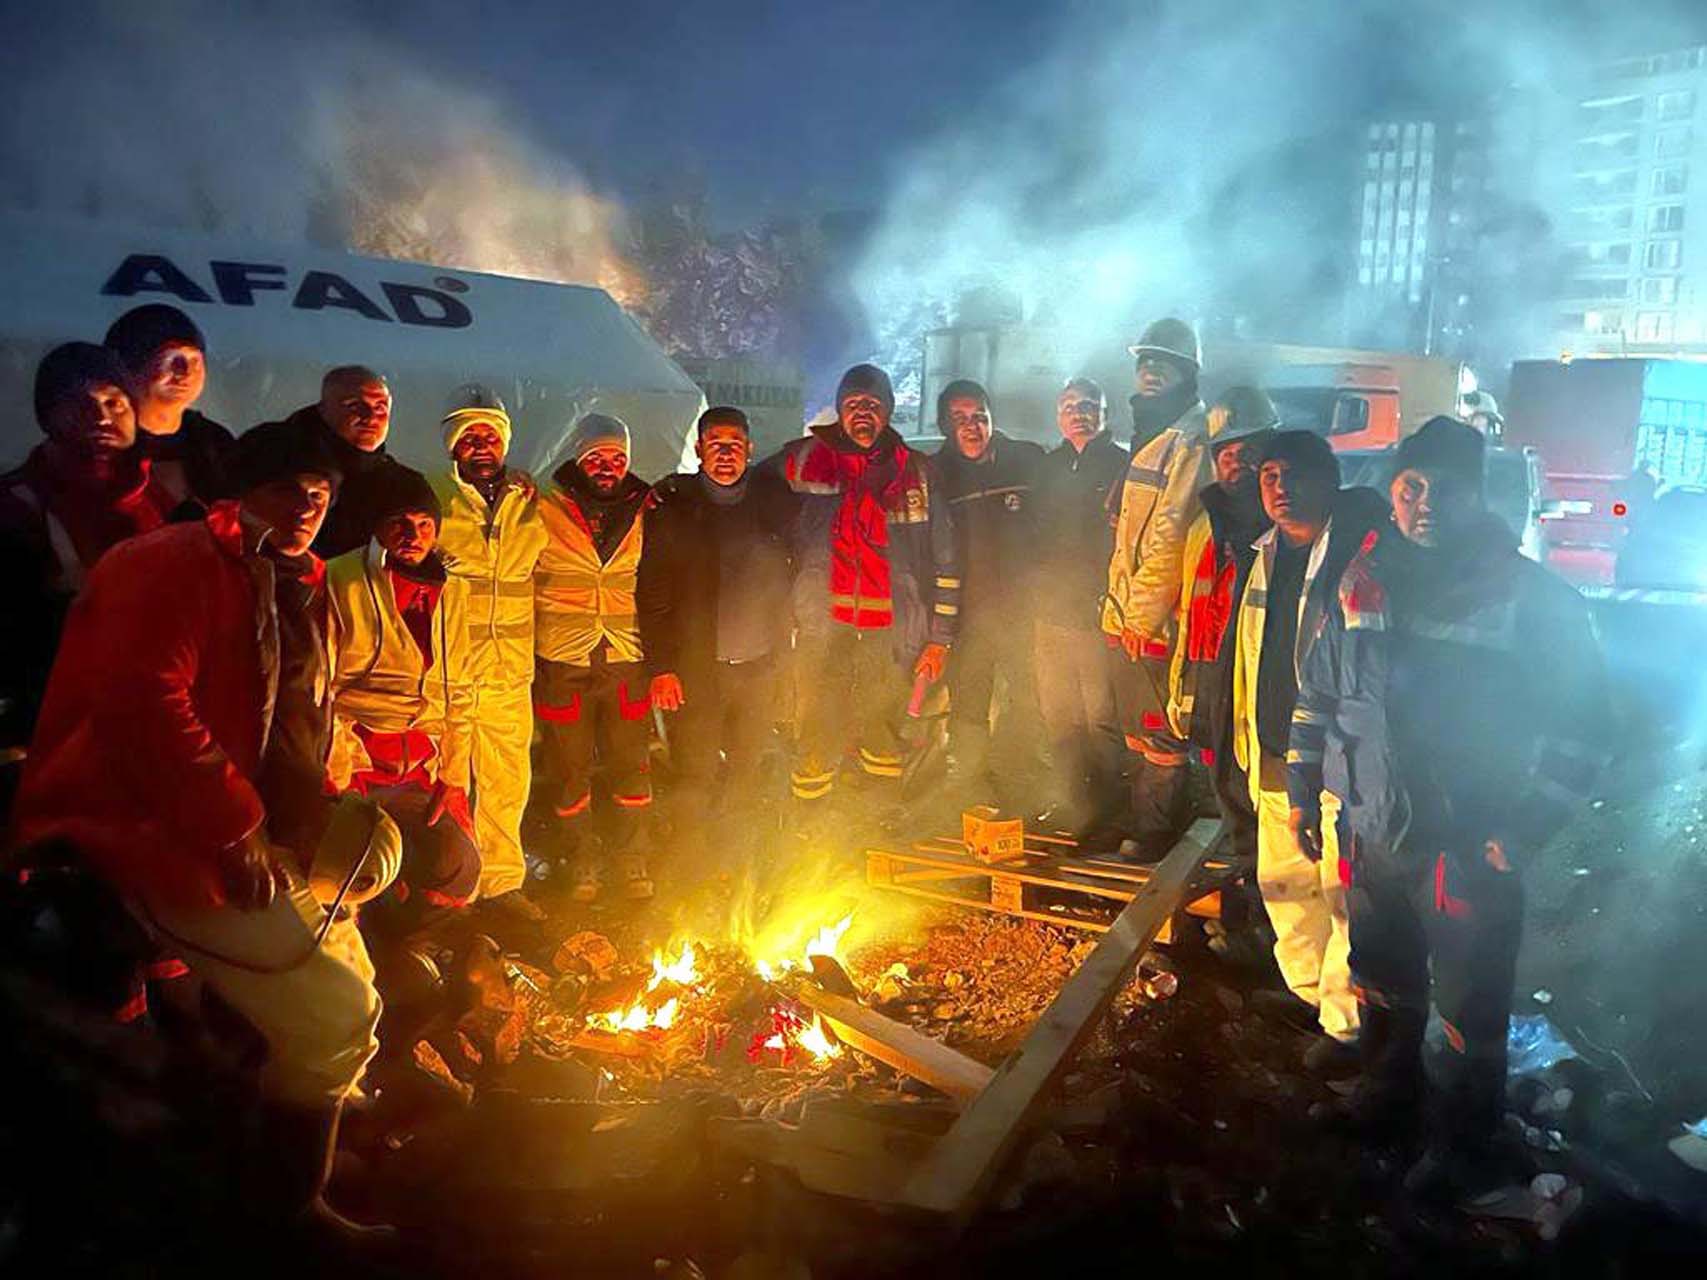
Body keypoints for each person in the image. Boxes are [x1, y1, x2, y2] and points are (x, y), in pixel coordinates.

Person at [10, 425, 398, 1236]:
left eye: (319, 493)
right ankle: (290, 1212)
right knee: (334, 1013)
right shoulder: (174, 562)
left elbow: (300, 711)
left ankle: (285, 1145)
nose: (305, 506)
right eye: (284, 489)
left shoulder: (299, 578)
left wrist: (335, 798)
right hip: (148, 828)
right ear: (240, 493)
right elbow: (145, 704)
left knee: (350, 959)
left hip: (243, 828)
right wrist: (234, 826)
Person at [1289, 417, 1610, 1201]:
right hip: (1369, 829)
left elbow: (1588, 729)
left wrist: (1523, 829)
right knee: (1380, 977)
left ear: (1477, 495)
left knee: (1469, 1008)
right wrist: (1304, 785)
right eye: (1410, 487)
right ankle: (1387, 1097)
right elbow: (1319, 692)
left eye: (1444, 489)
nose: (1424, 503)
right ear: (1393, 492)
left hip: (1464, 844)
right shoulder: (1360, 580)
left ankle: (1463, 1144)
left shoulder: (1531, 599)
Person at [1230, 431, 1387, 1071]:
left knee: (1343, 897)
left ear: (1330, 480)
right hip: (1270, 751)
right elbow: (1243, 656)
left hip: (1335, 763)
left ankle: (1347, 1032)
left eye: (1293, 475)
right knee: (1286, 887)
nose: (1279, 487)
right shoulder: (1264, 554)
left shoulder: (1356, 557)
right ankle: (1307, 1001)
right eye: (1268, 474)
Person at [769, 363, 958, 813]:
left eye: (873, 405)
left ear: (888, 412)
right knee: (816, 728)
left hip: (890, 631)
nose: (862, 414)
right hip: (823, 626)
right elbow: (736, 495)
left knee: (882, 730)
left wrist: (941, 637)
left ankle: (874, 822)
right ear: (839, 411)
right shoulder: (800, 459)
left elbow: (947, 560)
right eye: (853, 405)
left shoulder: (918, 472)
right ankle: (810, 828)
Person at [0, 343, 175, 781]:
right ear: (49, 417)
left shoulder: (169, 500)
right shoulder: (16, 506)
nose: (100, 416)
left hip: (161, 725)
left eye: (113, 403)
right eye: (79, 404)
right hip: (46, 734)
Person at [324, 468, 481, 939]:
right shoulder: (342, 581)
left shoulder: (452, 591)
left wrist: (454, 776)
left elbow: (461, 689)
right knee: (362, 868)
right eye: (400, 524)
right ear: (378, 526)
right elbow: (321, 689)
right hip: (358, 761)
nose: (414, 536)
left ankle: (424, 951)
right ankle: (367, 961)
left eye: (425, 525)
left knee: (458, 864)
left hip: (423, 767)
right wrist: (340, 776)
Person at [638, 406, 795, 847]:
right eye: (715, 444)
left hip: (759, 668)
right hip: (696, 669)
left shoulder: (774, 505)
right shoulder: (675, 507)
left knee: (748, 767)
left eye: (734, 445)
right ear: (698, 449)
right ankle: (692, 861)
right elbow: (652, 594)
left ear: (749, 450)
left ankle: (735, 859)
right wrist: (661, 667)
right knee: (696, 771)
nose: (725, 454)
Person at [429, 385, 549, 921]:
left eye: (491, 437)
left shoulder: (530, 503)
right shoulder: (430, 497)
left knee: (507, 782)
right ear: (453, 447)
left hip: (509, 673)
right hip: (450, 673)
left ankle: (501, 885)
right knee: (449, 782)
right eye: (469, 437)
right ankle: (449, 888)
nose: (481, 446)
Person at [534, 412, 657, 902]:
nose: (607, 466)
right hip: (562, 659)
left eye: (617, 458)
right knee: (569, 767)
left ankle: (633, 860)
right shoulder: (543, 507)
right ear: (579, 458)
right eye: (597, 457)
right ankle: (581, 858)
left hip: (627, 654)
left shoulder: (649, 507)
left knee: (633, 764)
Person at [1102, 318, 1212, 857]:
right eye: (1143, 361)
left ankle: (1153, 838)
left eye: (1161, 363)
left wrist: (1139, 619)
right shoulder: (1150, 430)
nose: (1148, 370)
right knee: (1137, 729)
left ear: (1186, 372)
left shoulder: (1190, 437)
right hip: (1131, 610)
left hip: (1157, 617)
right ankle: (1143, 823)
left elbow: (1169, 535)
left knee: (1162, 732)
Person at [1165, 386, 1277, 866]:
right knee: (1228, 793)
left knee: (1269, 801)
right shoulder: (1202, 526)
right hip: (1215, 675)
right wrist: (1181, 686)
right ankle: (1245, 899)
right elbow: (1191, 614)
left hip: (1264, 684)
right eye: (1227, 453)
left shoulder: (1288, 528)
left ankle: (1263, 914)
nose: (1238, 462)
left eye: (1248, 450)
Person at [930, 379, 1046, 809]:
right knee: (968, 702)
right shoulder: (936, 475)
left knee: (1027, 698)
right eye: (960, 419)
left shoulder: (1025, 462)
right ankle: (968, 783)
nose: (972, 426)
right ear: (946, 425)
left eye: (979, 416)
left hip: (1021, 612)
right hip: (966, 617)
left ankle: (1023, 781)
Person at [1032, 377, 1129, 838]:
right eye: (1070, 404)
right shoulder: (1048, 467)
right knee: (1059, 717)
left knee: (1101, 719)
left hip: (1098, 615)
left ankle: (1110, 811)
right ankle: (1073, 803)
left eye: (1090, 404)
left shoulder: (1122, 465)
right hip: (1048, 612)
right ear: (1058, 414)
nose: (1079, 412)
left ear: (1106, 413)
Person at [247, 365, 420, 559]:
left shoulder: (404, 486)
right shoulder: (270, 454)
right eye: (355, 405)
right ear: (323, 409)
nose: (370, 417)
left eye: (380, 407)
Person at [104, 302, 236, 518]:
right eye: (171, 358)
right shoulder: (101, 444)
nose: (185, 372)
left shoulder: (214, 443)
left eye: (194, 359)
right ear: (129, 366)